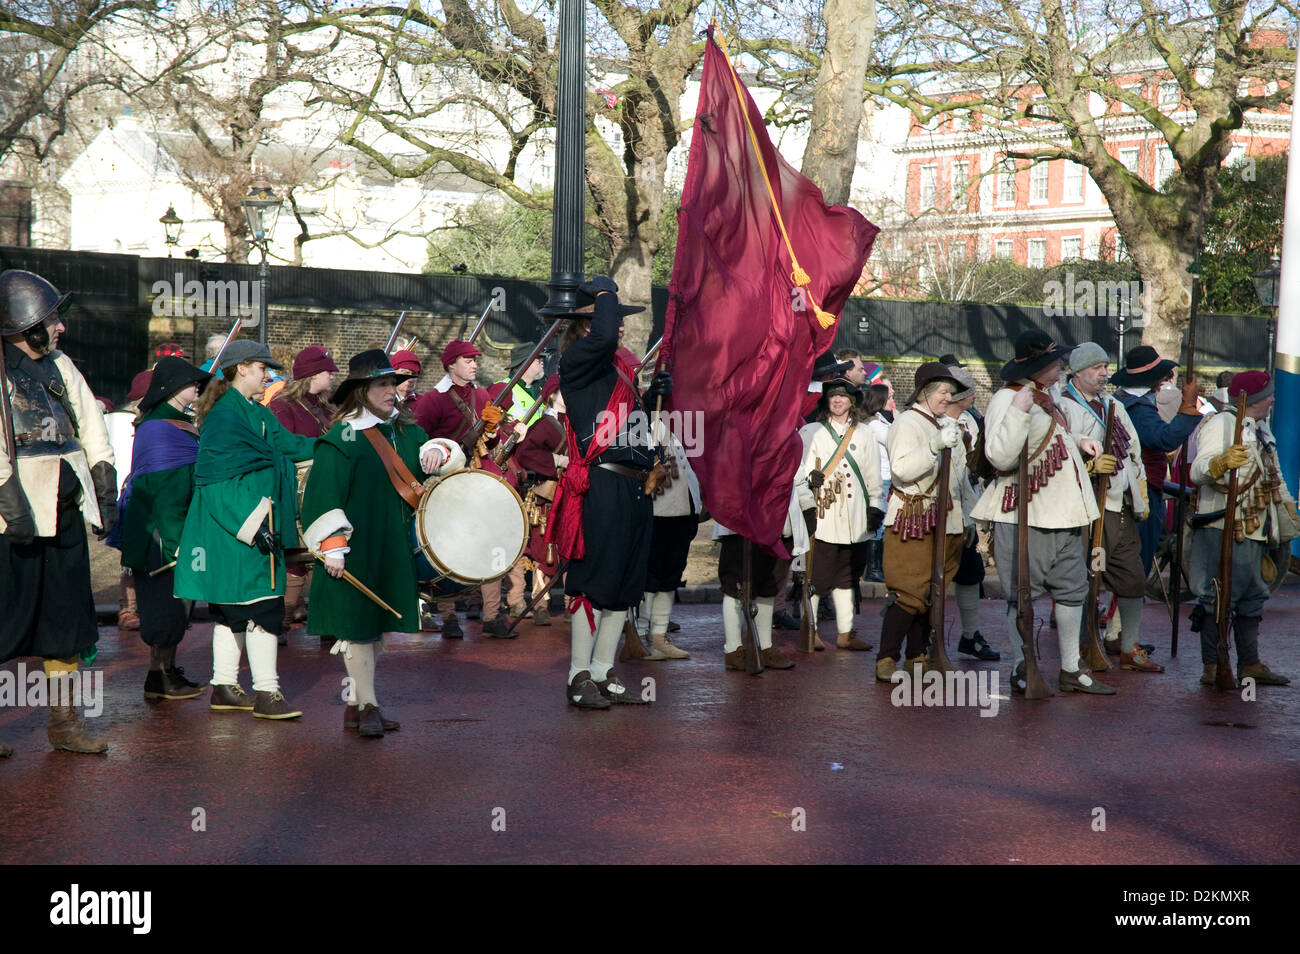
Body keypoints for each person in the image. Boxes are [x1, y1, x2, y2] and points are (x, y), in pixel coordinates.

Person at [300, 349, 463, 737]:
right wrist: (333, 543)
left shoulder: (402, 429)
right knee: (357, 627)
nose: (394, 390)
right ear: (362, 390)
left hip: (390, 543)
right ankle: (369, 705)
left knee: (374, 625)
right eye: (384, 384)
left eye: (394, 383)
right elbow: (324, 496)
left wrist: (440, 451)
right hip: (355, 545)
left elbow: (430, 451)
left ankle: (357, 707)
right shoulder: (343, 437)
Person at [0, 269, 118, 756]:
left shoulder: (61, 366)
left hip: (64, 513)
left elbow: (90, 423)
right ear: (26, 325)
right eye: (51, 319)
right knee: (5, 618)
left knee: (66, 621)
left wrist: (104, 484)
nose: (60, 327)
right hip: (14, 520)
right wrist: (11, 505)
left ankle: (65, 724)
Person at [173, 339, 315, 719]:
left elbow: (292, 446)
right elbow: (213, 482)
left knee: (233, 611)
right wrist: (253, 528)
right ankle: (267, 693)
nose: (267, 374)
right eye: (261, 368)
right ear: (240, 370)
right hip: (239, 530)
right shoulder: (223, 417)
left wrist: (334, 444)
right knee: (263, 610)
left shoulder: (259, 413)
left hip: (255, 525)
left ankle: (223, 687)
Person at [970, 329, 1116, 695]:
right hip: (1027, 513)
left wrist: (1081, 441)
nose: (1060, 367)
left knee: (1072, 589)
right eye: (1054, 362)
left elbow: (1054, 438)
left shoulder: (1049, 396)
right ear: (1038, 367)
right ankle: (1024, 667)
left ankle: (1070, 668)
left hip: (1065, 511)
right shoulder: (1009, 400)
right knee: (1022, 594)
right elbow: (1000, 456)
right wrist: (1020, 411)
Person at [548, 276, 667, 708]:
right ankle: (579, 674)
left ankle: (602, 671)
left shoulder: (617, 369)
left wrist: (656, 398)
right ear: (587, 322)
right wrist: (604, 294)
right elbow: (600, 336)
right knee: (593, 582)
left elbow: (630, 430)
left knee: (624, 584)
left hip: (634, 486)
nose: (617, 325)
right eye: (611, 317)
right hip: (602, 484)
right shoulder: (579, 359)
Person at [1058, 343, 1161, 672]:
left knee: (1132, 579)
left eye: (1105, 366)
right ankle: (1085, 645)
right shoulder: (1063, 407)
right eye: (1097, 367)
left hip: (1120, 507)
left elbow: (1133, 450)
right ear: (1078, 372)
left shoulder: (1112, 403)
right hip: (1087, 510)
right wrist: (1089, 468)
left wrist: (1139, 494)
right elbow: (1058, 456)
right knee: (1087, 580)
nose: (1105, 373)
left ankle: (1129, 646)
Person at [1188, 371, 1294, 686]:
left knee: (1252, 596)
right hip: (1223, 527)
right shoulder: (1221, 425)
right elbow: (1197, 470)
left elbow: (1272, 476)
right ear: (1254, 399)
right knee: (1217, 597)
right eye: (1269, 394)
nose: (1274, 399)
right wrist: (1220, 463)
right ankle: (1213, 665)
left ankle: (1249, 664)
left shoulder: (1261, 430)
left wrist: (1288, 514)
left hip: (1255, 526)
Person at [118, 357, 211, 701]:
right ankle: (158, 676)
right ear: (173, 387)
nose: (198, 387)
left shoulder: (176, 422)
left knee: (177, 607)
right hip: (161, 534)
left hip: (174, 528)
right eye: (192, 382)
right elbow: (166, 491)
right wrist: (176, 543)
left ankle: (167, 672)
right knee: (164, 607)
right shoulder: (160, 428)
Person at [875, 362, 970, 680]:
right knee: (908, 591)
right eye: (944, 391)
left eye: (951, 392)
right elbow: (901, 471)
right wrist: (934, 445)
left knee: (932, 592)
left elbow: (957, 476)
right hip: (912, 516)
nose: (949, 397)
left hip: (946, 519)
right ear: (926, 392)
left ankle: (916, 655)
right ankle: (887, 657)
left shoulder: (941, 423)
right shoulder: (908, 424)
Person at [411, 340, 507, 637]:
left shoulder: (480, 395)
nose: (474, 364)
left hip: (475, 478)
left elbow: (490, 444)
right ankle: (449, 616)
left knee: (490, 541)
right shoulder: (433, 400)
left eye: (475, 359)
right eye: (467, 360)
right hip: (446, 482)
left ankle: (492, 615)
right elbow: (418, 438)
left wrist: (492, 430)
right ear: (451, 364)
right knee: (447, 547)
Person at [799, 377, 885, 651]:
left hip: (855, 516)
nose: (837, 400)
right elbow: (798, 474)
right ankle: (809, 629)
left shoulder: (865, 433)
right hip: (824, 514)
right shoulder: (811, 431)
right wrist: (807, 503)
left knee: (848, 576)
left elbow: (872, 473)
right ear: (826, 401)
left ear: (852, 402)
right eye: (833, 396)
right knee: (816, 575)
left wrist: (875, 505)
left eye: (843, 397)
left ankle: (845, 633)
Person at [714, 441, 810, 671]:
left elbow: (799, 477)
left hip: (780, 520)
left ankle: (765, 647)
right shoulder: (735, 429)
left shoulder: (788, 434)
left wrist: (809, 506)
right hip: (743, 520)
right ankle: (734, 649)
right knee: (736, 586)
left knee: (770, 584)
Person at [1111, 346, 1202, 575]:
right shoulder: (1137, 408)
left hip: (1133, 485)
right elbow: (1165, 438)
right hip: (1139, 490)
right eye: (1160, 378)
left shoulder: (1122, 399)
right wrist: (1189, 404)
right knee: (1137, 560)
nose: (1163, 383)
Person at [268, 344, 339, 634]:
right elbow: (281, 448)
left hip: (325, 487)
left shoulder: (326, 408)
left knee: (329, 553)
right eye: (327, 373)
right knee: (296, 556)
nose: (332, 378)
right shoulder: (282, 406)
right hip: (295, 489)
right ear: (313, 374)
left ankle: (327, 620)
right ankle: (282, 620)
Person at [944, 365, 999, 661]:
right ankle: (926, 640)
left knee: (970, 572)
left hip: (967, 508)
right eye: (968, 391)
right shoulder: (934, 422)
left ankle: (970, 635)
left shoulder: (971, 421)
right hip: (940, 510)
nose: (974, 395)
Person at [639, 407, 701, 660]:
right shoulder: (646, 424)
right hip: (657, 509)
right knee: (650, 577)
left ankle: (659, 636)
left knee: (671, 577)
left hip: (685, 509)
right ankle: (642, 635)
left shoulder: (691, 424)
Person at [509, 374, 567, 625]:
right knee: (545, 548)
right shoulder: (545, 425)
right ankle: (540, 604)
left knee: (572, 547)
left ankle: (572, 604)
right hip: (549, 494)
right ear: (553, 396)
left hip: (574, 491)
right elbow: (526, 453)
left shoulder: (579, 421)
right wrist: (558, 461)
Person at [106, 368, 152, 631]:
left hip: (146, 493)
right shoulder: (131, 425)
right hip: (132, 494)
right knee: (130, 558)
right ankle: (127, 607)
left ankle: (146, 606)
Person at [862, 383, 892, 582]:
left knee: (881, 521)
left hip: (886, 476)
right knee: (878, 522)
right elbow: (893, 438)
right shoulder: (874, 424)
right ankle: (873, 569)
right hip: (880, 477)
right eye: (889, 398)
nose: (892, 401)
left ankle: (876, 567)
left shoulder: (879, 420)